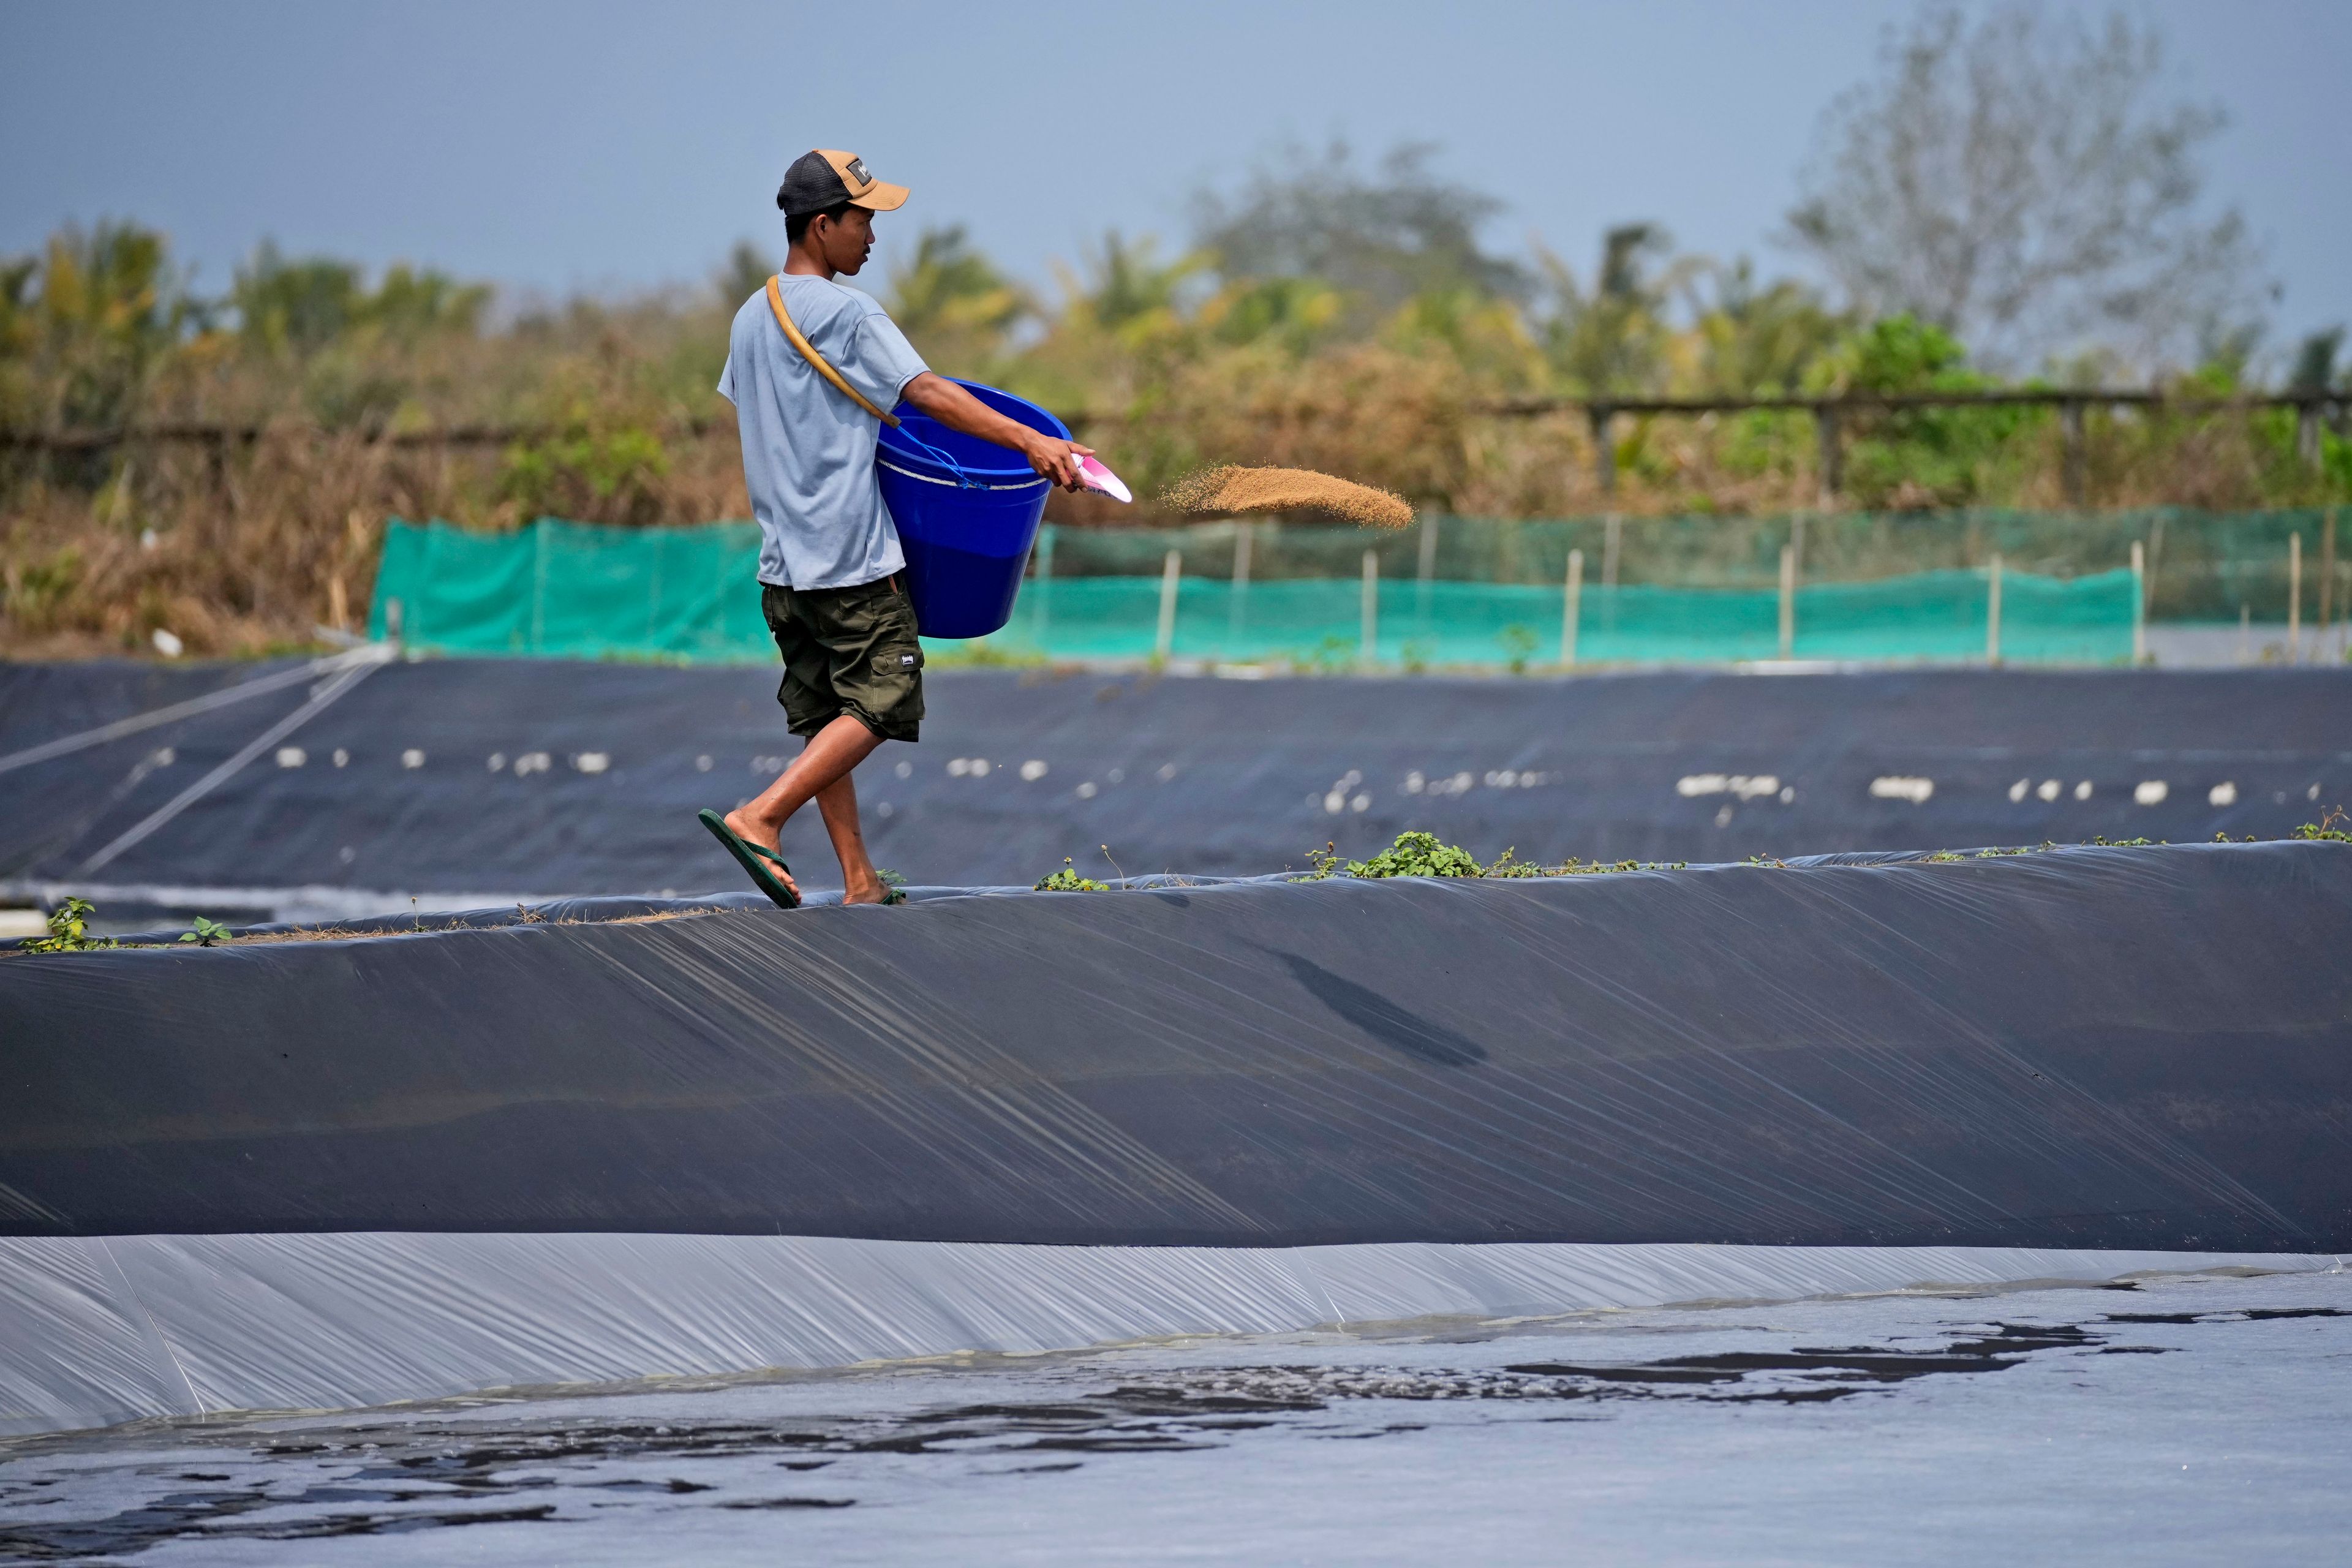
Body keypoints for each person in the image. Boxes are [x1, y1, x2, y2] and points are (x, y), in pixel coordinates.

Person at [700, 148, 1091, 908]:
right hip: (849, 558)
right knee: (886, 698)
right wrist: (1033, 442)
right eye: (863, 220)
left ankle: (858, 879)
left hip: (783, 567)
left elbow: (772, 416)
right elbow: (930, 393)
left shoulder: (751, 318)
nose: (873, 238)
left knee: (827, 719)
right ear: (823, 226)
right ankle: (761, 817)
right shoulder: (848, 313)